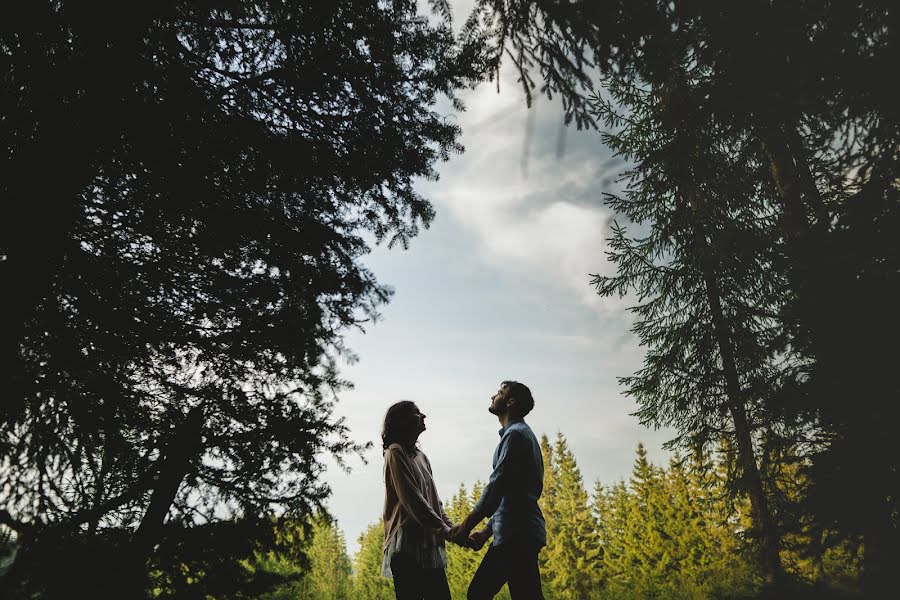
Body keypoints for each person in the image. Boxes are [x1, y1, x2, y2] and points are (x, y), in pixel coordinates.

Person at [450, 381, 546, 600]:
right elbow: (510, 495)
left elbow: (497, 487)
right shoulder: (515, 435)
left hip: (517, 534)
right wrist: (485, 533)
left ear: (510, 403)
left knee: (482, 593)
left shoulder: (516, 436)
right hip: (513, 533)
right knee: (482, 593)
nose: (492, 396)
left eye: (500, 393)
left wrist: (466, 526)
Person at [382, 400, 460, 600]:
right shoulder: (395, 452)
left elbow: (434, 501)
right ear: (403, 421)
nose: (423, 416)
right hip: (407, 544)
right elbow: (413, 501)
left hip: (429, 542)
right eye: (417, 413)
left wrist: (452, 529)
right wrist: (446, 531)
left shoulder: (422, 457)